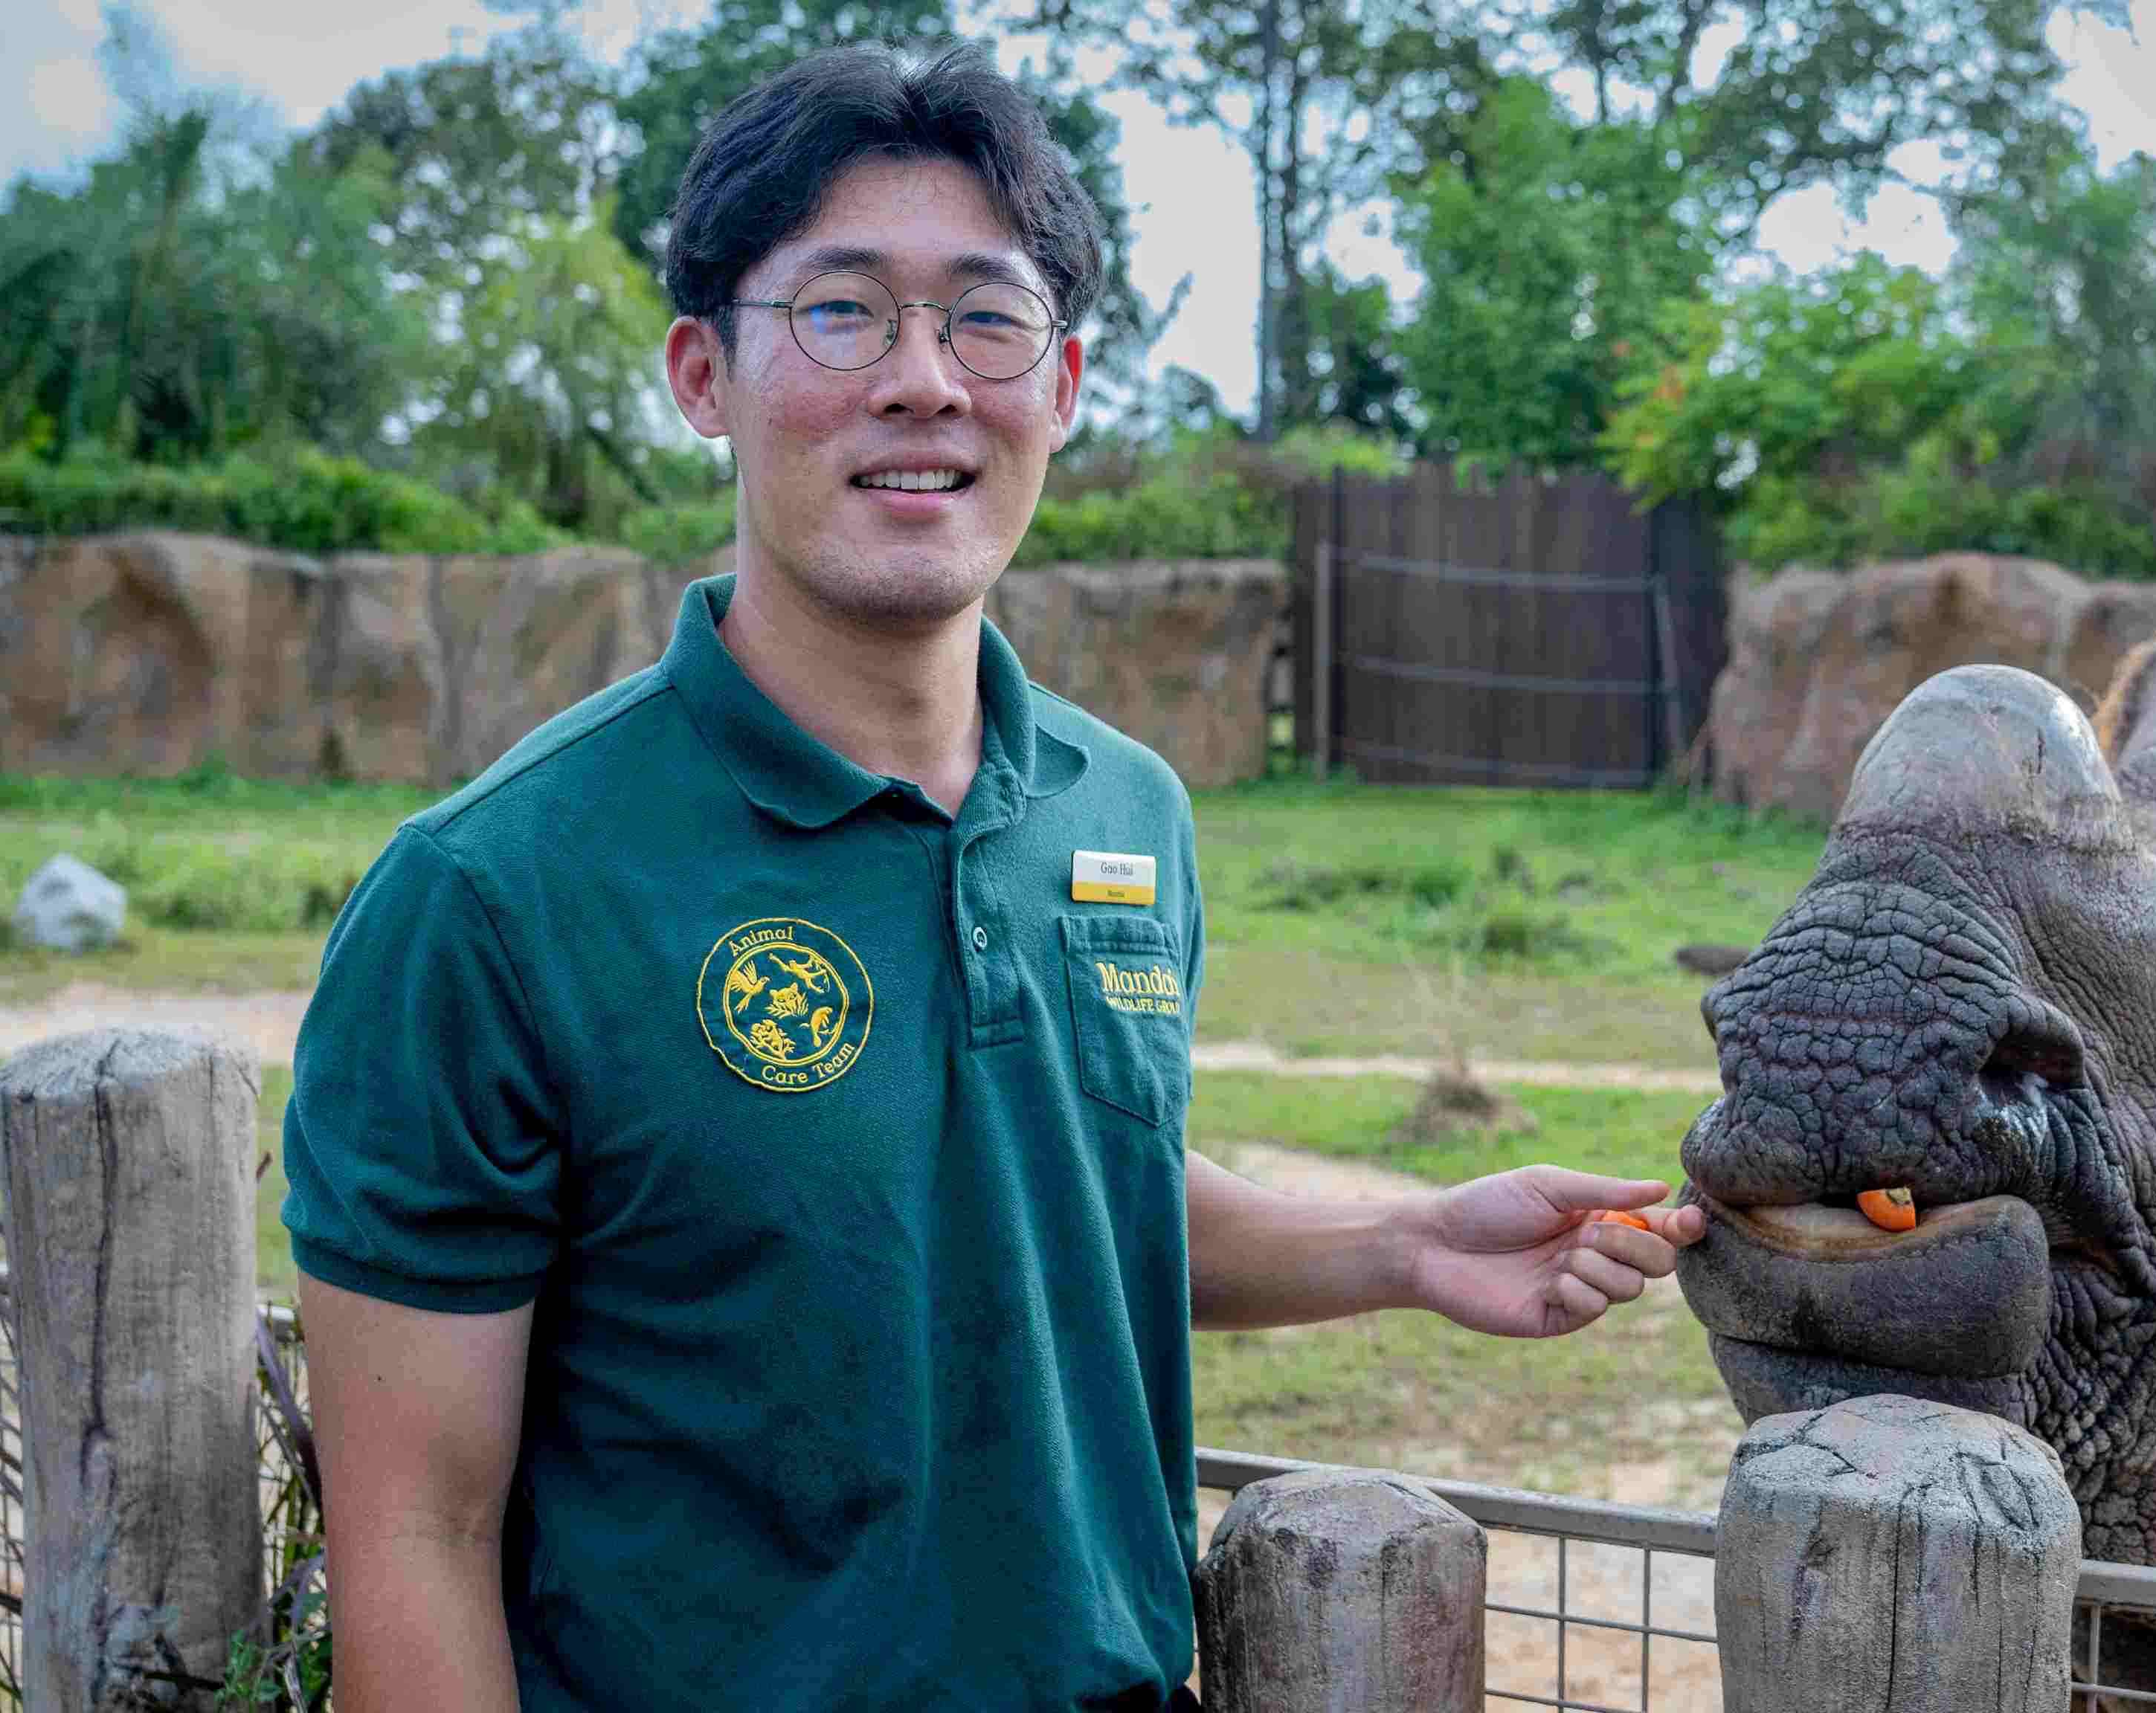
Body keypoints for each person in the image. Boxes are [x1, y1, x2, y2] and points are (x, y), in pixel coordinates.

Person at [283, 39, 1708, 1713]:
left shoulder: (1126, 813)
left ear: (1064, 384)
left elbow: (1043, 1203)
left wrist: (1402, 1244)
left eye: (983, 316)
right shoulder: (491, 895)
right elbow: (417, 1538)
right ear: (699, 374)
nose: (921, 381)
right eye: (840, 313)